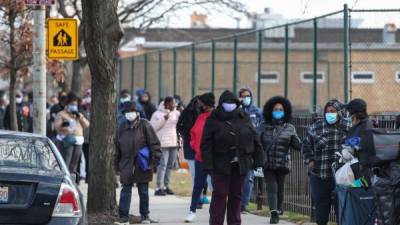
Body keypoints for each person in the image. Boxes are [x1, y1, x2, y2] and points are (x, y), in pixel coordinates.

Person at [201, 90, 265, 225]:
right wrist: (208, 164)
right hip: (220, 165)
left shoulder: (244, 117)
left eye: (232, 102)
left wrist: (259, 158)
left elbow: (254, 138)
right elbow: (205, 144)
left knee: (237, 196)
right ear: (221, 104)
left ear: (237, 103)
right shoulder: (213, 118)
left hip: (240, 164)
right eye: (226, 102)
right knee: (220, 195)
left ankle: (234, 222)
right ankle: (216, 222)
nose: (229, 105)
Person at [302, 99, 351, 225]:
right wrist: (310, 160)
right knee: (321, 206)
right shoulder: (316, 127)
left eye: (333, 111)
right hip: (320, 174)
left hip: (341, 176)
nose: (330, 114)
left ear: (339, 113)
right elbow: (306, 145)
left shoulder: (347, 126)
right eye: (328, 111)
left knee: (341, 206)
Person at [114, 101, 161, 224]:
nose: (129, 114)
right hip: (126, 163)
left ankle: (145, 215)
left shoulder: (145, 125)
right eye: (127, 112)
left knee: (143, 190)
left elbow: (155, 144)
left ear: (137, 113)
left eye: (131, 112)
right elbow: (116, 148)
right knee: (125, 190)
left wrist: (153, 162)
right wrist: (116, 165)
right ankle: (123, 217)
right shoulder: (121, 127)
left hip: (142, 163)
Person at [260, 96, 301, 224]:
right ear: (270, 111)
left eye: (280, 109)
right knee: (272, 188)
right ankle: (273, 213)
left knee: (280, 188)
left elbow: (297, 144)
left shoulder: (290, 128)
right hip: (268, 163)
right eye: (275, 109)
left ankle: (278, 209)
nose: (278, 111)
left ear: (285, 111)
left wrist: (305, 145)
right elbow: (257, 142)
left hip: (282, 163)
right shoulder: (263, 126)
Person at [184, 93, 215, 222]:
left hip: (214, 158)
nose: (199, 106)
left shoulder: (216, 117)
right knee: (198, 185)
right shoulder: (201, 117)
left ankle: (215, 212)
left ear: (207, 105)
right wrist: (194, 145)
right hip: (200, 157)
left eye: (201, 103)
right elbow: (193, 133)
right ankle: (192, 210)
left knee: (216, 186)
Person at [238, 87, 263, 213]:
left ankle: (243, 204)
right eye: (243, 96)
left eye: (248, 96)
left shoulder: (257, 111)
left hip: (252, 149)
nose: (246, 98)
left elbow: (261, 128)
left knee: (249, 178)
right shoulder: (236, 111)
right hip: (239, 149)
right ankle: (236, 201)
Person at [54, 93, 90, 179]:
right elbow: (56, 126)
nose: (74, 106)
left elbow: (86, 125)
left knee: (75, 162)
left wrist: (80, 117)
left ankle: (73, 180)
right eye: (72, 104)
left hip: (78, 141)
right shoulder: (61, 114)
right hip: (66, 140)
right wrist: (63, 125)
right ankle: (64, 179)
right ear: (67, 104)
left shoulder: (78, 114)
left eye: (75, 104)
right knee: (66, 161)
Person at [150, 96, 181, 196]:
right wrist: (164, 119)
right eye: (172, 103)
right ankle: (159, 187)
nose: (174, 105)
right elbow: (153, 128)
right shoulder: (157, 114)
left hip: (174, 143)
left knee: (170, 165)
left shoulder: (176, 113)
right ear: (166, 104)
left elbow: (179, 126)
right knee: (162, 165)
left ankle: (166, 186)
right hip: (163, 143)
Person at [177, 96, 200, 183]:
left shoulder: (186, 114)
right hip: (196, 146)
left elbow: (180, 127)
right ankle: (202, 193)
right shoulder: (199, 116)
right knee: (200, 173)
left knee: (195, 173)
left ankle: (198, 193)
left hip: (190, 146)